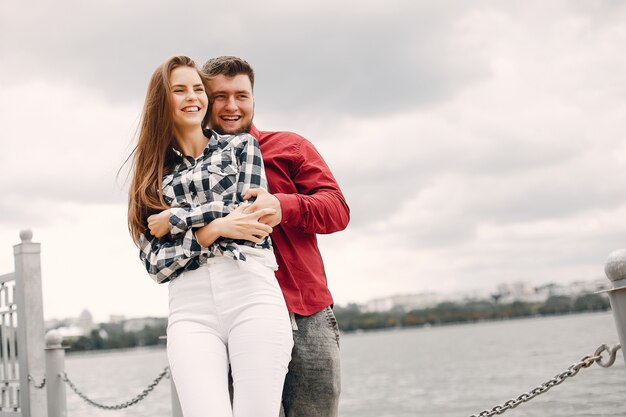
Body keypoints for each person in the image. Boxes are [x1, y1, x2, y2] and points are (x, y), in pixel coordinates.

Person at [127, 55, 293, 417]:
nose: (193, 97)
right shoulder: (149, 176)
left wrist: (178, 219)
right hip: (190, 308)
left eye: (198, 89)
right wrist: (214, 229)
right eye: (180, 90)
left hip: (250, 289)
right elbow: (156, 264)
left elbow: (252, 218)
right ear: (162, 101)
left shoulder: (241, 147)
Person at [201, 56, 350, 417]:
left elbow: (338, 211)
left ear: (253, 97)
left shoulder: (291, 146)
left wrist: (284, 206)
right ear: (203, 101)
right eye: (219, 96)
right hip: (233, 317)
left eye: (242, 95)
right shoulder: (191, 164)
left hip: (305, 314)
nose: (232, 106)